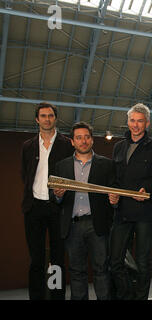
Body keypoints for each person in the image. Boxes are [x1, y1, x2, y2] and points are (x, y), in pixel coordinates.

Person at [53, 122, 114, 300]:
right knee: (76, 272)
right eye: (78, 138)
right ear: (72, 142)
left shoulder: (106, 164)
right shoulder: (61, 166)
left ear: (92, 140)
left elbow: (114, 191)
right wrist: (57, 195)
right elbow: (55, 198)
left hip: (98, 225)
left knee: (102, 270)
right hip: (72, 226)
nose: (83, 141)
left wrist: (114, 199)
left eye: (87, 137)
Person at [21, 102, 73, 300]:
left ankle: (57, 297)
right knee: (36, 260)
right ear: (37, 119)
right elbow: (24, 174)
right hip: (33, 207)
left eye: (50, 115)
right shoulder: (27, 146)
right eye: (43, 116)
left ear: (55, 118)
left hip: (57, 209)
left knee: (58, 260)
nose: (47, 119)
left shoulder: (67, 144)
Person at [108, 103, 152, 300]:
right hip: (121, 212)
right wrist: (112, 194)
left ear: (146, 123)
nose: (135, 125)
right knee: (115, 260)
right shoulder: (118, 147)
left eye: (140, 121)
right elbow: (114, 178)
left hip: (144, 212)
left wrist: (147, 189)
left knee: (143, 262)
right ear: (128, 121)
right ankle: (127, 294)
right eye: (132, 120)